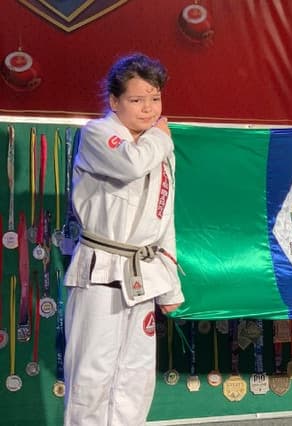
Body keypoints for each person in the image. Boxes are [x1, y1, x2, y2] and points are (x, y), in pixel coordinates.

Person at [63, 53, 184, 426]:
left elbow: (164, 218)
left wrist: (170, 287)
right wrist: (162, 139)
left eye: (155, 98)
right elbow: (131, 163)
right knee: (92, 371)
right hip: (101, 269)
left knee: (135, 372)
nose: (148, 109)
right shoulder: (99, 133)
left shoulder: (159, 146)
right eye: (137, 99)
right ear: (115, 102)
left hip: (144, 271)